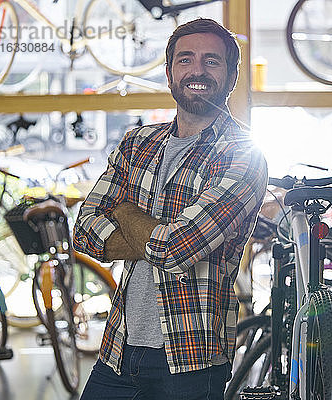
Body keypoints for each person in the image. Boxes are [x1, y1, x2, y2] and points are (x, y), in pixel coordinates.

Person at [73, 18, 268, 400]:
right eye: (186, 60)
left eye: (212, 61)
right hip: (118, 350)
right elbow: (84, 230)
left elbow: (175, 249)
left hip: (191, 362)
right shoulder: (137, 143)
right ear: (169, 73)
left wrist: (126, 213)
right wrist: (160, 237)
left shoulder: (243, 154)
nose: (197, 70)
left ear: (231, 77)